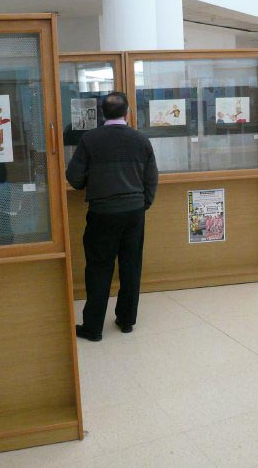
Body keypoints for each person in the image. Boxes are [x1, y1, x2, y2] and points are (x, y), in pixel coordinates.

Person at [67, 91, 159, 342]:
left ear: (102, 113)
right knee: (131, 265)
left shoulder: (89, 139)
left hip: (102, 213)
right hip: (134, 212)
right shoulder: (141, 140)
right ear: (127, 112)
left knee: (99, 267)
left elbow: (74, 178)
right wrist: (143, 203)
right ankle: (126, 321)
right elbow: (151, 178)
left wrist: (92, 181)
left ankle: (93, 328)